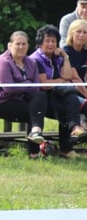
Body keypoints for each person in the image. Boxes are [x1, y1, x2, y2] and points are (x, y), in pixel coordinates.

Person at [0, 31, 49, 159]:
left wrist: (26, 85)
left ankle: (36, 133)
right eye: (18, 44)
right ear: (9, 45)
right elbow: (9, 89)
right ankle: (35, 150)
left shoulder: (31, 62)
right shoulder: (2, 63)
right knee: (33, 111)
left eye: (24, 44)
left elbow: (36, 87)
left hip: (17, 97)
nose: (21, 47)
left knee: (39, 99)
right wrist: (27, 82)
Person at [30, 24, 87, 159]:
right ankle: (73, 133)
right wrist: (61, 81)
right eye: (47, 41)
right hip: (40, 99)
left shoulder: (57, 57)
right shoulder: (36, 59)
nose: (51, 44)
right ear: (40, 43)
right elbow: (43, 84)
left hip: (57, 95)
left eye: (54, 41)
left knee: (70, 100)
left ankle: (70, 142)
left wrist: (65, 57)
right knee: (69, 100)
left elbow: (67, 76)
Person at [63, 18, 87, 126]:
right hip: (70, 92)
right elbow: (74, 78)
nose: (81, 35)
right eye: (78, 31)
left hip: (83, 89)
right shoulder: (66, 51)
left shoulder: (85, 52)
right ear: (71, 33)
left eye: (85, 32)